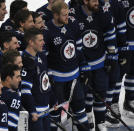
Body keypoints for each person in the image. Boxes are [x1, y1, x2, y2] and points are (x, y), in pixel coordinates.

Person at [70, 0, 118, 130]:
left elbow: (110, 33)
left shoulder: (102, 12)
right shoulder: (74, 14)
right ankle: (87, 116)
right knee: (83, 95)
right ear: (85, 1)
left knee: (101, 92)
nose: (97, 2)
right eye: (94, 0)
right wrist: (80, 63)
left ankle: (100, 122)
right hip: (83, 64)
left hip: (99, 61)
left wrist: (112, 55)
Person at [44, 1, 90, 131]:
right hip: (57, 81)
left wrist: (84, 67)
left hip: (74, 77)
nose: (67, 17)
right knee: (57, 113)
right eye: (64, 15)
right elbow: (44, 57)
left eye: (68, 14)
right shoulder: (47, 31)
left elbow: (79, 48)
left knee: (80, 108)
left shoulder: (73, 24)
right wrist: (49, 75)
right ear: (55, 15)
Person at [98, 0, 127, 127]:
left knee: (113, 81)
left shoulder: (115, 4)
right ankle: (96, 115)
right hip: (96, 54)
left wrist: (122, 48)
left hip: (112, 51)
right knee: (98, 86)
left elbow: (120, 28)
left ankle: (108, 109)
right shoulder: (93, 6)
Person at [21, 27, 56, 131]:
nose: (43, 43)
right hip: (35, 114)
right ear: (31, 42)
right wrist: (32, 111)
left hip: (46, 110)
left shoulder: (40, 55)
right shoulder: (25, 61)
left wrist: (53, 100)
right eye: (40, 40)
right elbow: (25, 90)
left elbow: (45, 82)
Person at [0, 64, 22, 131]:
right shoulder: (14, 96)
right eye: (17, 77)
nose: (20, 79)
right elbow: (11, 126)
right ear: (8, 79)